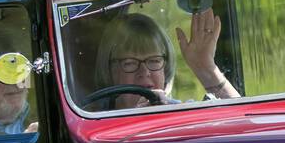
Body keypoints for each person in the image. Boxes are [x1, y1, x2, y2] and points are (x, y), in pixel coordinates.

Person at [93, 9, 240, 111]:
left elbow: (242, 121)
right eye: (130, 63)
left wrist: (205, 68)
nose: (144, 72)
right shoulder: (91, 120)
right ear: (110, 70)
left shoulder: (179, 112)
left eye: (154, 61)